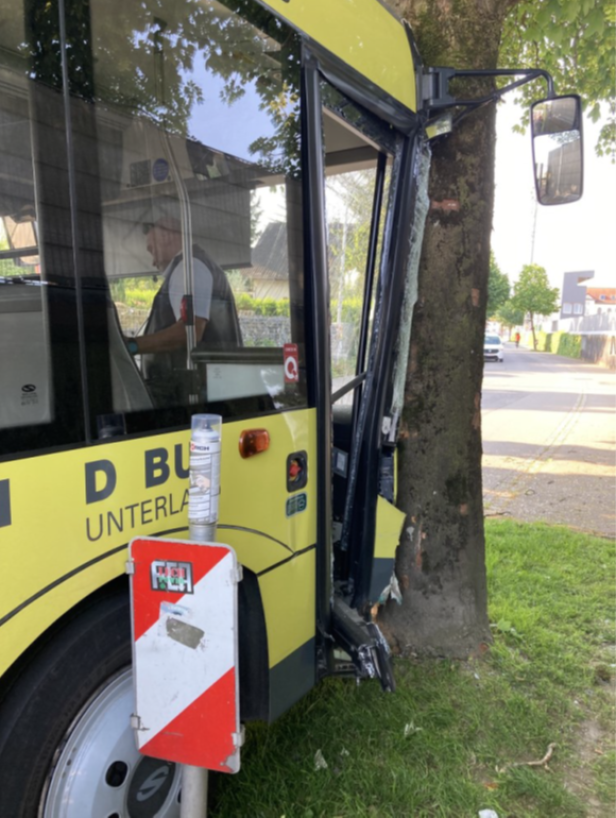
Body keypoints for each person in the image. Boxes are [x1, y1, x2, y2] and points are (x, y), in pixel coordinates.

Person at [125, 216, 242, 394]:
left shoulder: (189, 267)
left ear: (167, 237)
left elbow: (190, 331)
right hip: (209, 388)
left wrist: (132, 346)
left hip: (198, 395)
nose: (153, 261)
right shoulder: (193, 265)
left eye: (152, 250)